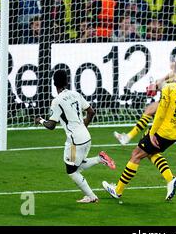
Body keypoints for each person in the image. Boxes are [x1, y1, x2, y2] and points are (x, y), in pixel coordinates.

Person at [102, 56, 176, 201]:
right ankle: (170, 180)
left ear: (175, 69)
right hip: (174, 134)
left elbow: (160, 114)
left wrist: (152, 133)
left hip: (162, 132)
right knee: (151, 153)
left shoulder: (169, 88)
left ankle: (118, 190)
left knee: (136, 154)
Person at [114, 30, 176, 145]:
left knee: (151, 111)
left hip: (174, 85)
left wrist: (160, 82)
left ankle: (128, 137)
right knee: (170, 114)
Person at [35, 70, 116, 204]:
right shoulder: (75, 94)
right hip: (86, 137)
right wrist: (83, 127)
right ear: (67, 82)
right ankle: (99, 159)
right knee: (76, 166)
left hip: (74, 143)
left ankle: (91, 196)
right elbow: (91, 112)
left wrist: (40, 120)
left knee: (72, 171)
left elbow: (51, 125)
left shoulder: (57, 101)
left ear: (54, 83)